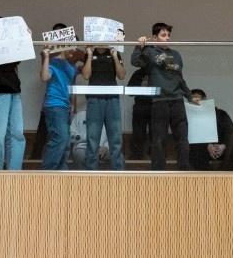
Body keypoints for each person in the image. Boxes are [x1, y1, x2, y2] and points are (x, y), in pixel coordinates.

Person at [131, 22, 192, 170]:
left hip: (177, 100)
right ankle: (158, 171)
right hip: (160, 101)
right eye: (163, 35)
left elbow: (179, 78)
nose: (167, 38)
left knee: (182, 138)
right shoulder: (150, 51)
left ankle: (184, 169)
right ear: (155, 37)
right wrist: (139, 46)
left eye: (168, 35)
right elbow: (135, 61)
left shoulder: (176, 54)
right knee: (158, 139)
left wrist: (189, 95)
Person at [81, 45, 125, 170]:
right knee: (92, 138)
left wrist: (115, 56)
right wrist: (90, 55)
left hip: (112, 98)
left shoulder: (113, 52)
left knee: (116, 138)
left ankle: (118, 171)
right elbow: (85, 75)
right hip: (94, 98)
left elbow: (122, 75)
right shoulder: (90, 52)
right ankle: (91, 172)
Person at [40, 47, 79, 170]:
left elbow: (72, 86)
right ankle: (47, 172)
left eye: (75, 48)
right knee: (60, 138)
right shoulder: (54, 62)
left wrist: (73, 105)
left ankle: (61, 172)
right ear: (64, 47)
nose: (74, 50)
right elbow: (44, 77)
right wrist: (46, 57)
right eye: (71, 47)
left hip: (66, 107)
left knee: (65, 142)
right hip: (54, 105)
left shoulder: (71, 65)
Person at [188, 89, 233, 171]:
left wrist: (223, 146)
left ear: (205, 100)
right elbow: (190, 138)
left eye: (197, 100)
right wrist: (208, 146)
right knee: (192, 153)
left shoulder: (221, 114)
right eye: (192, 102)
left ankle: (221, 174)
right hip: (202, 149)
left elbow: (230, 132)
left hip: (221, 147)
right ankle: (207, 176)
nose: (195, 104)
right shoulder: (189, 118)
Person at [127, 68, 152, 160]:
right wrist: (140, 83)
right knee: (138, 133)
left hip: (157, 105)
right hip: (140, 105)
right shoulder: (138, 73)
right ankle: (137, 155)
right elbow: (129, 91)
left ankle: (156, 155)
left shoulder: (158, 73)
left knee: (157, 133)